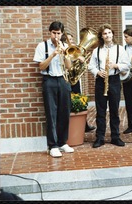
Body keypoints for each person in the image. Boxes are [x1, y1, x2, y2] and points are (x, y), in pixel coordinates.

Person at [33, 21, 74, 157]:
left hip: (63, 80)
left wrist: (64, 53)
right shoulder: (42, 46)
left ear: (62, 33)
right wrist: (53, 55)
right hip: (49, 80)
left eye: (59, 33)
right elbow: (41, 67)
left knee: (64, 112)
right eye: (54, 33)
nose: (56, 36)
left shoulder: (66, 46)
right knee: (51, 113)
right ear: (50, 32)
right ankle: (53, 145)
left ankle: (63, 142)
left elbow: (69, 67)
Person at [88, 23, 129, 148]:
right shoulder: (97, 50)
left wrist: (116, 66)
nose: (107, 35)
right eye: (105, 33)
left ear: (113, 34)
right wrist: (97, 72)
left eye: (109, 33)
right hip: (101, 80)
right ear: (102, 36)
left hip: (114, 80)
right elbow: (91, 66)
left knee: (114, 110)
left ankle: (115, 137)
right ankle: (100, 137)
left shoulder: (120, 49)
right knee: (100, 111)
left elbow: (127, 65)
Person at [61, 32, 96, 132]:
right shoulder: (63, 50)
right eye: (70, 40)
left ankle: (84, 125)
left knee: (80, 100)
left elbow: (80, 67)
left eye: (72, 39)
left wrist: (82, 62)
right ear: (65, 40)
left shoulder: (75, 50)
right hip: (65, 79)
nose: (72, 42)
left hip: (74, 79)